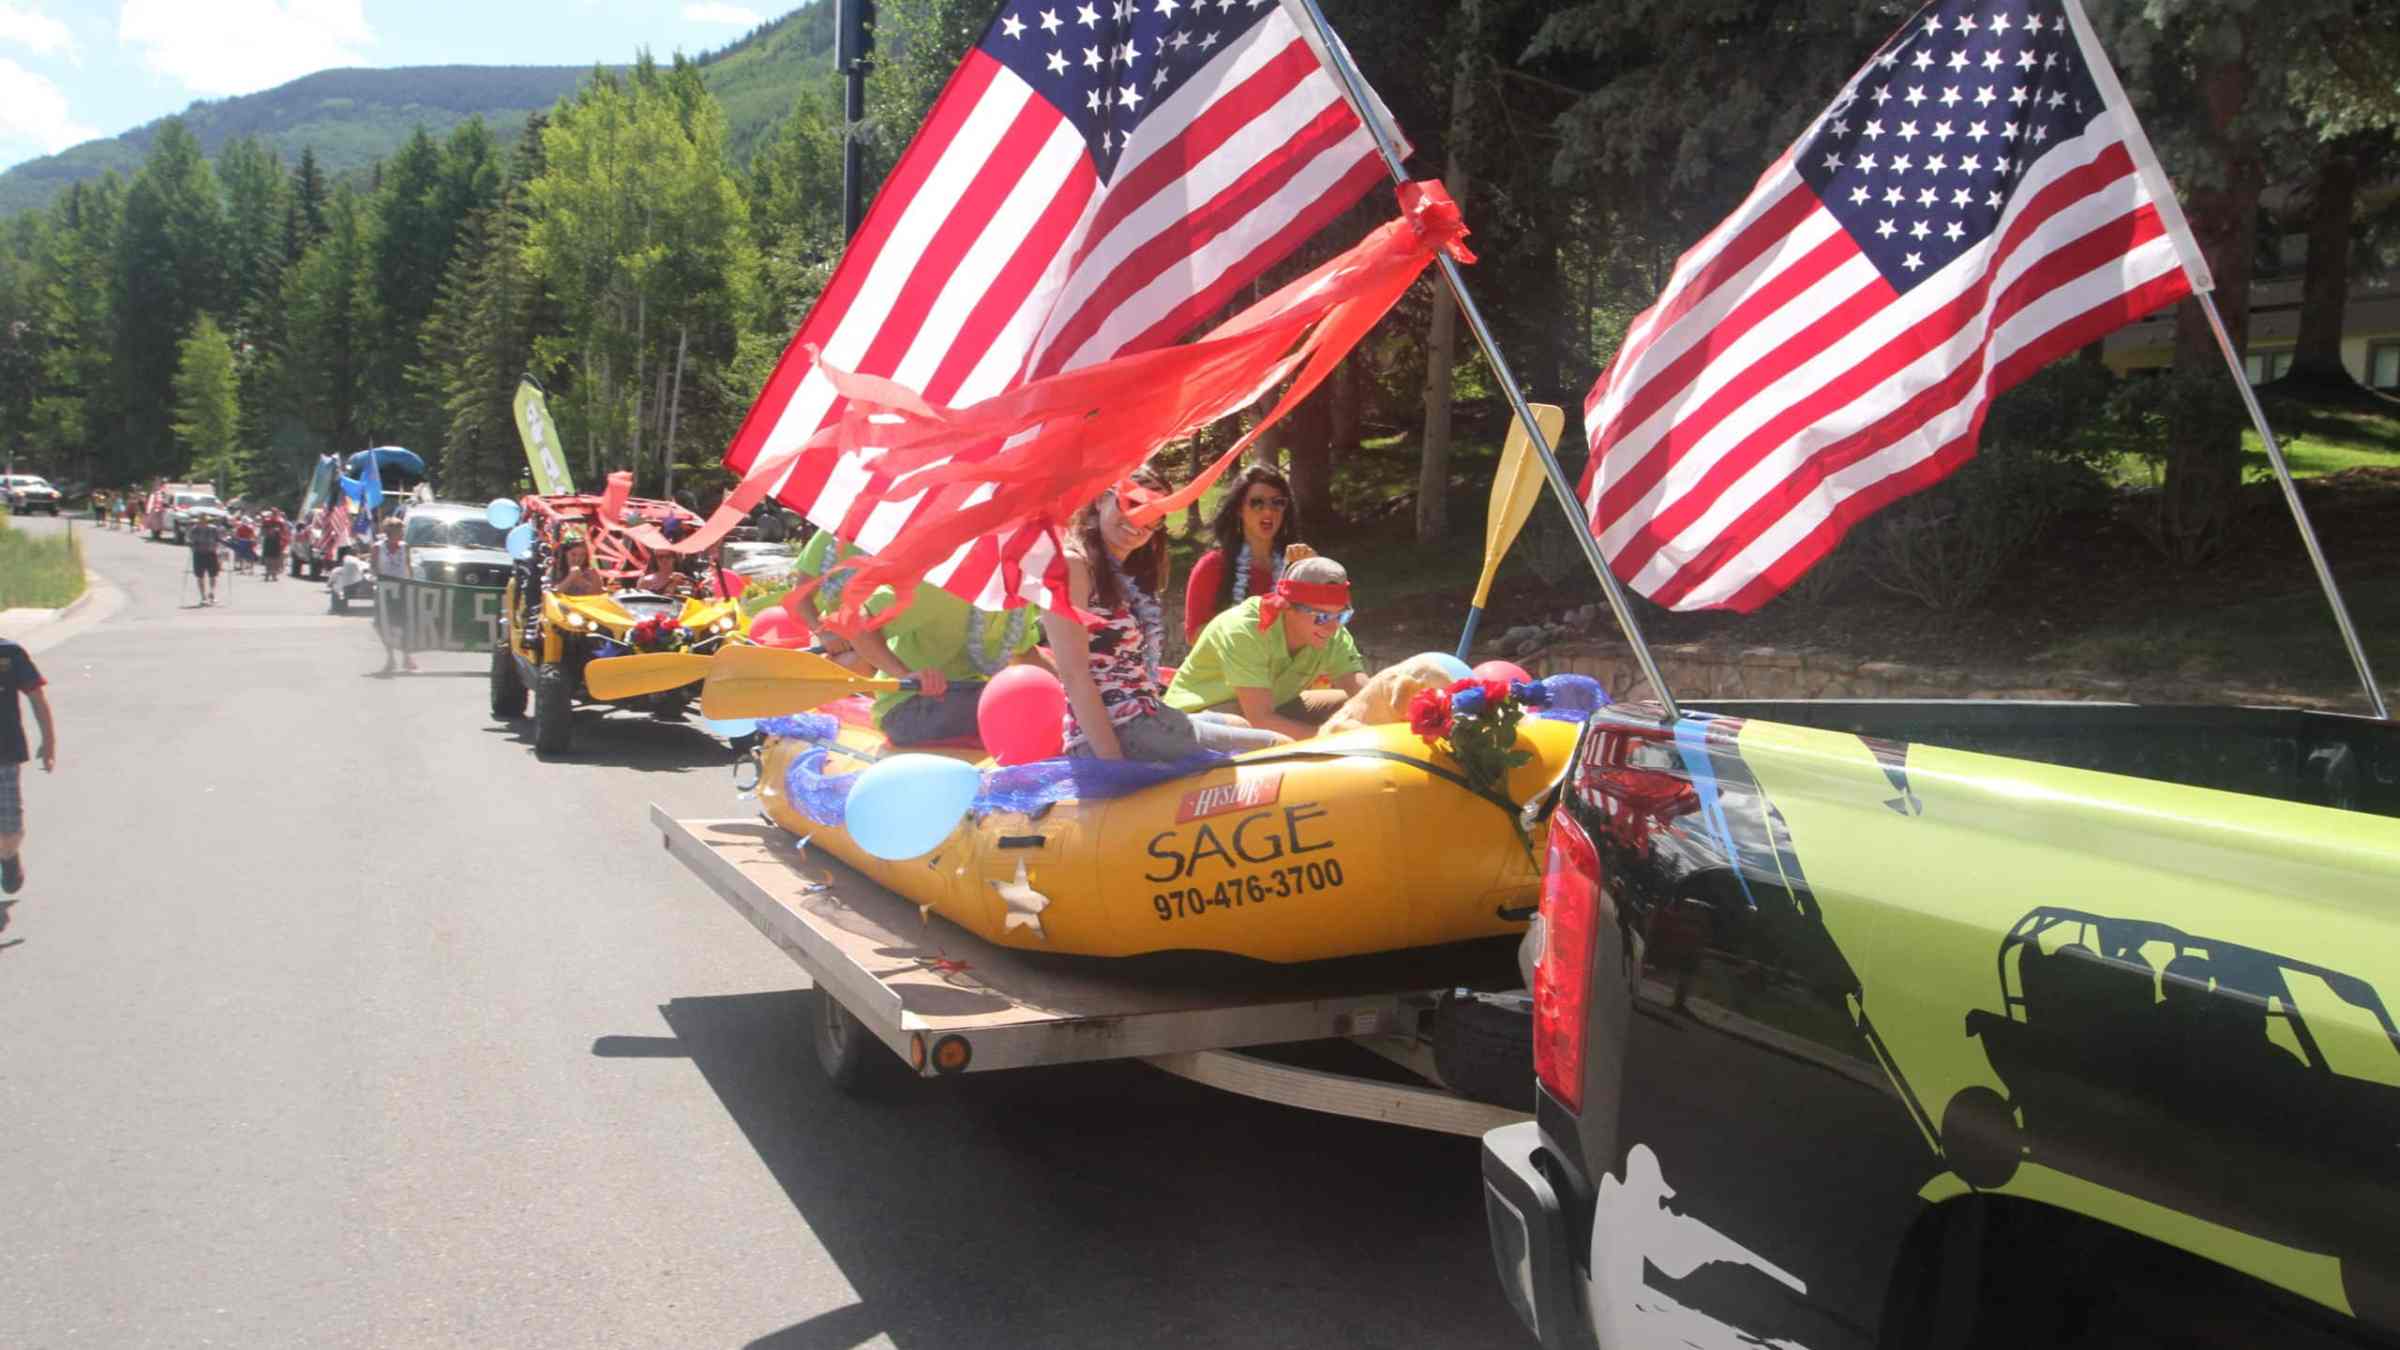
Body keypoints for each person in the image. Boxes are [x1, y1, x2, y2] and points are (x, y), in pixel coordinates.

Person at [1040, 467, 1283, 762]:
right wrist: (1112, 765)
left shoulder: (1122, 575)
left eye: (1155, 517)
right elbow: (1074, 674)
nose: (1140, 523)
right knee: (1276, 745)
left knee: (1240, 724)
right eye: (1133, 504)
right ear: (1103, 499)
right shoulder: (1071, 565)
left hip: (1149, 716)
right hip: (1118, 733)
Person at [1165, 556, 1369, 742]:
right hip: (1198, 720)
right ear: (1287, 606)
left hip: (1268, 708)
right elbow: (1260, 721)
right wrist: (1331, 740)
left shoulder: (1333, 631)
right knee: (1247, 725)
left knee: (1359, 704)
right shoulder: (1244, 629)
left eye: (1341, 616)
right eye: (1322, 616)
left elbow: (1365, 693)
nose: (1332, 626)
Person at [849, 582, 1052, 747]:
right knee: (1022, 707)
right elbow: (856, 621)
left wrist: (1075, 687)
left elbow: (1023, 653)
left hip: (970, 695)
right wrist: (904, 674)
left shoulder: (1019, 593)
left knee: (1040, 702)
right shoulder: (940, 584)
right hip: (908, 706)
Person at [1182, 464, 1313, 646]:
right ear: (1239, 509)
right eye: (1257, 503)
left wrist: (1313, 577)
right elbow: (1194, 637)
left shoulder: (1296, 565)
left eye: (1278, 502)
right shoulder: (1212, 565)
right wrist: (1250, 620)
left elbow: (1320, 626)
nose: (1268, 511)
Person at [0, 633, 53, 897]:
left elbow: (36, 696)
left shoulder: (10, 653)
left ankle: (8, 857)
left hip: (6, 752)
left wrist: (49, 740)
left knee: (10, 831)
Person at [374, 517, 417, 673]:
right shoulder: (378, 547)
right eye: (399, 531)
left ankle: (406, 656)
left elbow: (408, 567)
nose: (402, 534)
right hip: (385, 590)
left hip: (402, 589)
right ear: (390, 532)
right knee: (382, 624)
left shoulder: (405, 547)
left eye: (402, 530)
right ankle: (390, 657)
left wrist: (413, 583)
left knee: (404, 623)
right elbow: (374, 568)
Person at [552, 532, 607, 597]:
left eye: (582, 555)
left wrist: (582, 581)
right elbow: (552, 595)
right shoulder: (555, 570)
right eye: (573, 554)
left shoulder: (592, 573)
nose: (577, 559)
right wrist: (571, 577)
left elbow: (598, 597)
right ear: (565, 554)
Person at [186, 512, 225, 605]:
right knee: (200, 576)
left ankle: (212, 593)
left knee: (213, 575)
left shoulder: (213, 529)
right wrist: (191, 543)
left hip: (211, 553)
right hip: (199, 553)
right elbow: (189, 539)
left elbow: (219, 539)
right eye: (201, 520)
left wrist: (223, 544)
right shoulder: (194, 529)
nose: (203, 522)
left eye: (205, 520)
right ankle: (203, 597)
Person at [259, 511, 288, 583]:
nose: (274, 515)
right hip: (269, 541)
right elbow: (262, 531)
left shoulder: (280, 522)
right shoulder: (267, 521)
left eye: (275, 513)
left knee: (275, 559)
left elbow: (284, 532)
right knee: (269, 558)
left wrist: (279, 534)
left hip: (276, 542)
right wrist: (269, 531)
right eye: (273, 513)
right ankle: (268, 574)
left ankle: (273, 575)